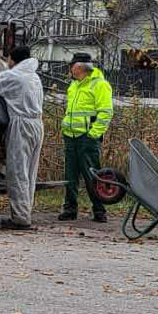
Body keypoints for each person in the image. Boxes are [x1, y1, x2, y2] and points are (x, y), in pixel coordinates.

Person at [0, 45, 44, 230]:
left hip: (21, 125)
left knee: (18, 172)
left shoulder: (14, 75)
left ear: (13, 60)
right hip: (37, 124)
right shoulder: (34, 77)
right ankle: (25, 212)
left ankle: (20, 218)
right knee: (30, 172)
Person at [59, 53, 113, 223]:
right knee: (70, 176)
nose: (70, 68)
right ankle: (70, 209)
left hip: (86, 138)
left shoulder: (100, 85)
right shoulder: (74, 85)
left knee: (92, 176)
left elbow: (106, 112)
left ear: (79, 67)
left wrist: (93, 134)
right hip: (70, 136)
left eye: (72, 65)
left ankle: (99, 210)